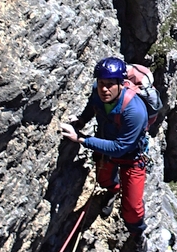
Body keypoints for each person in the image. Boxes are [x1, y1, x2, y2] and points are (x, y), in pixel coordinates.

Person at [60, 57, 149, 241]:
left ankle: (137, 234)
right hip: (106, 148)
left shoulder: (135, 111)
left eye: (110, 84)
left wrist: (81, 139)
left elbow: (119, 148)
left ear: (121, 84)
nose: (104, 89)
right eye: (101, 83)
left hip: (131, 157)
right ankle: (112, 192)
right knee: (103, 179)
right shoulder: (98, 92)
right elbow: (93, 106)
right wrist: (82, 120)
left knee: (133, 207)